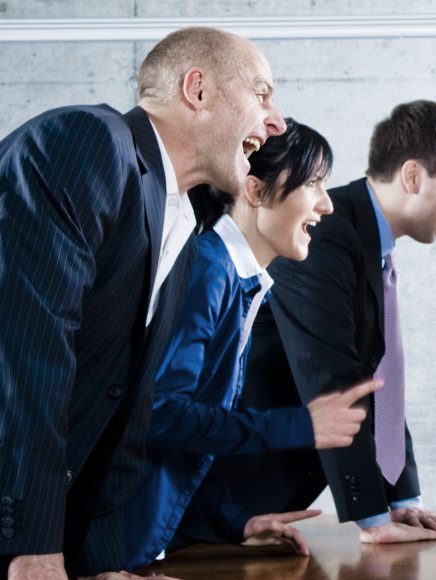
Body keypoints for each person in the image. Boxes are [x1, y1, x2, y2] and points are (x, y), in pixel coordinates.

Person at [0, 26, 285, 578]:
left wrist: (106, 565)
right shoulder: (88, 140)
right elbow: (28, 355)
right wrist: (32, 548)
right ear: (196, 90)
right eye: (262, 93)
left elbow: (122, 419)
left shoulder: (179, 221)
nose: (275, 122)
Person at [173, 100, 436, 546]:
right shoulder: (322, 234)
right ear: (414, 176)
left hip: (243, 511)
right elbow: (331, 376)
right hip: (218, 498)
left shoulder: (365, 242)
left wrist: (403, 498)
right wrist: (372, 517)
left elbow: (379, 378)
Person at [120, 119, 382, 570]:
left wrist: (237, 521)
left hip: (142, 544)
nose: (325, 204)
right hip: (114, 545)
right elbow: (159, 416)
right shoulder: (208, 271)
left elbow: (185, 439)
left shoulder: (235, 278)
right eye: (314, 183)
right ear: (256, 191)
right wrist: (299, 426)